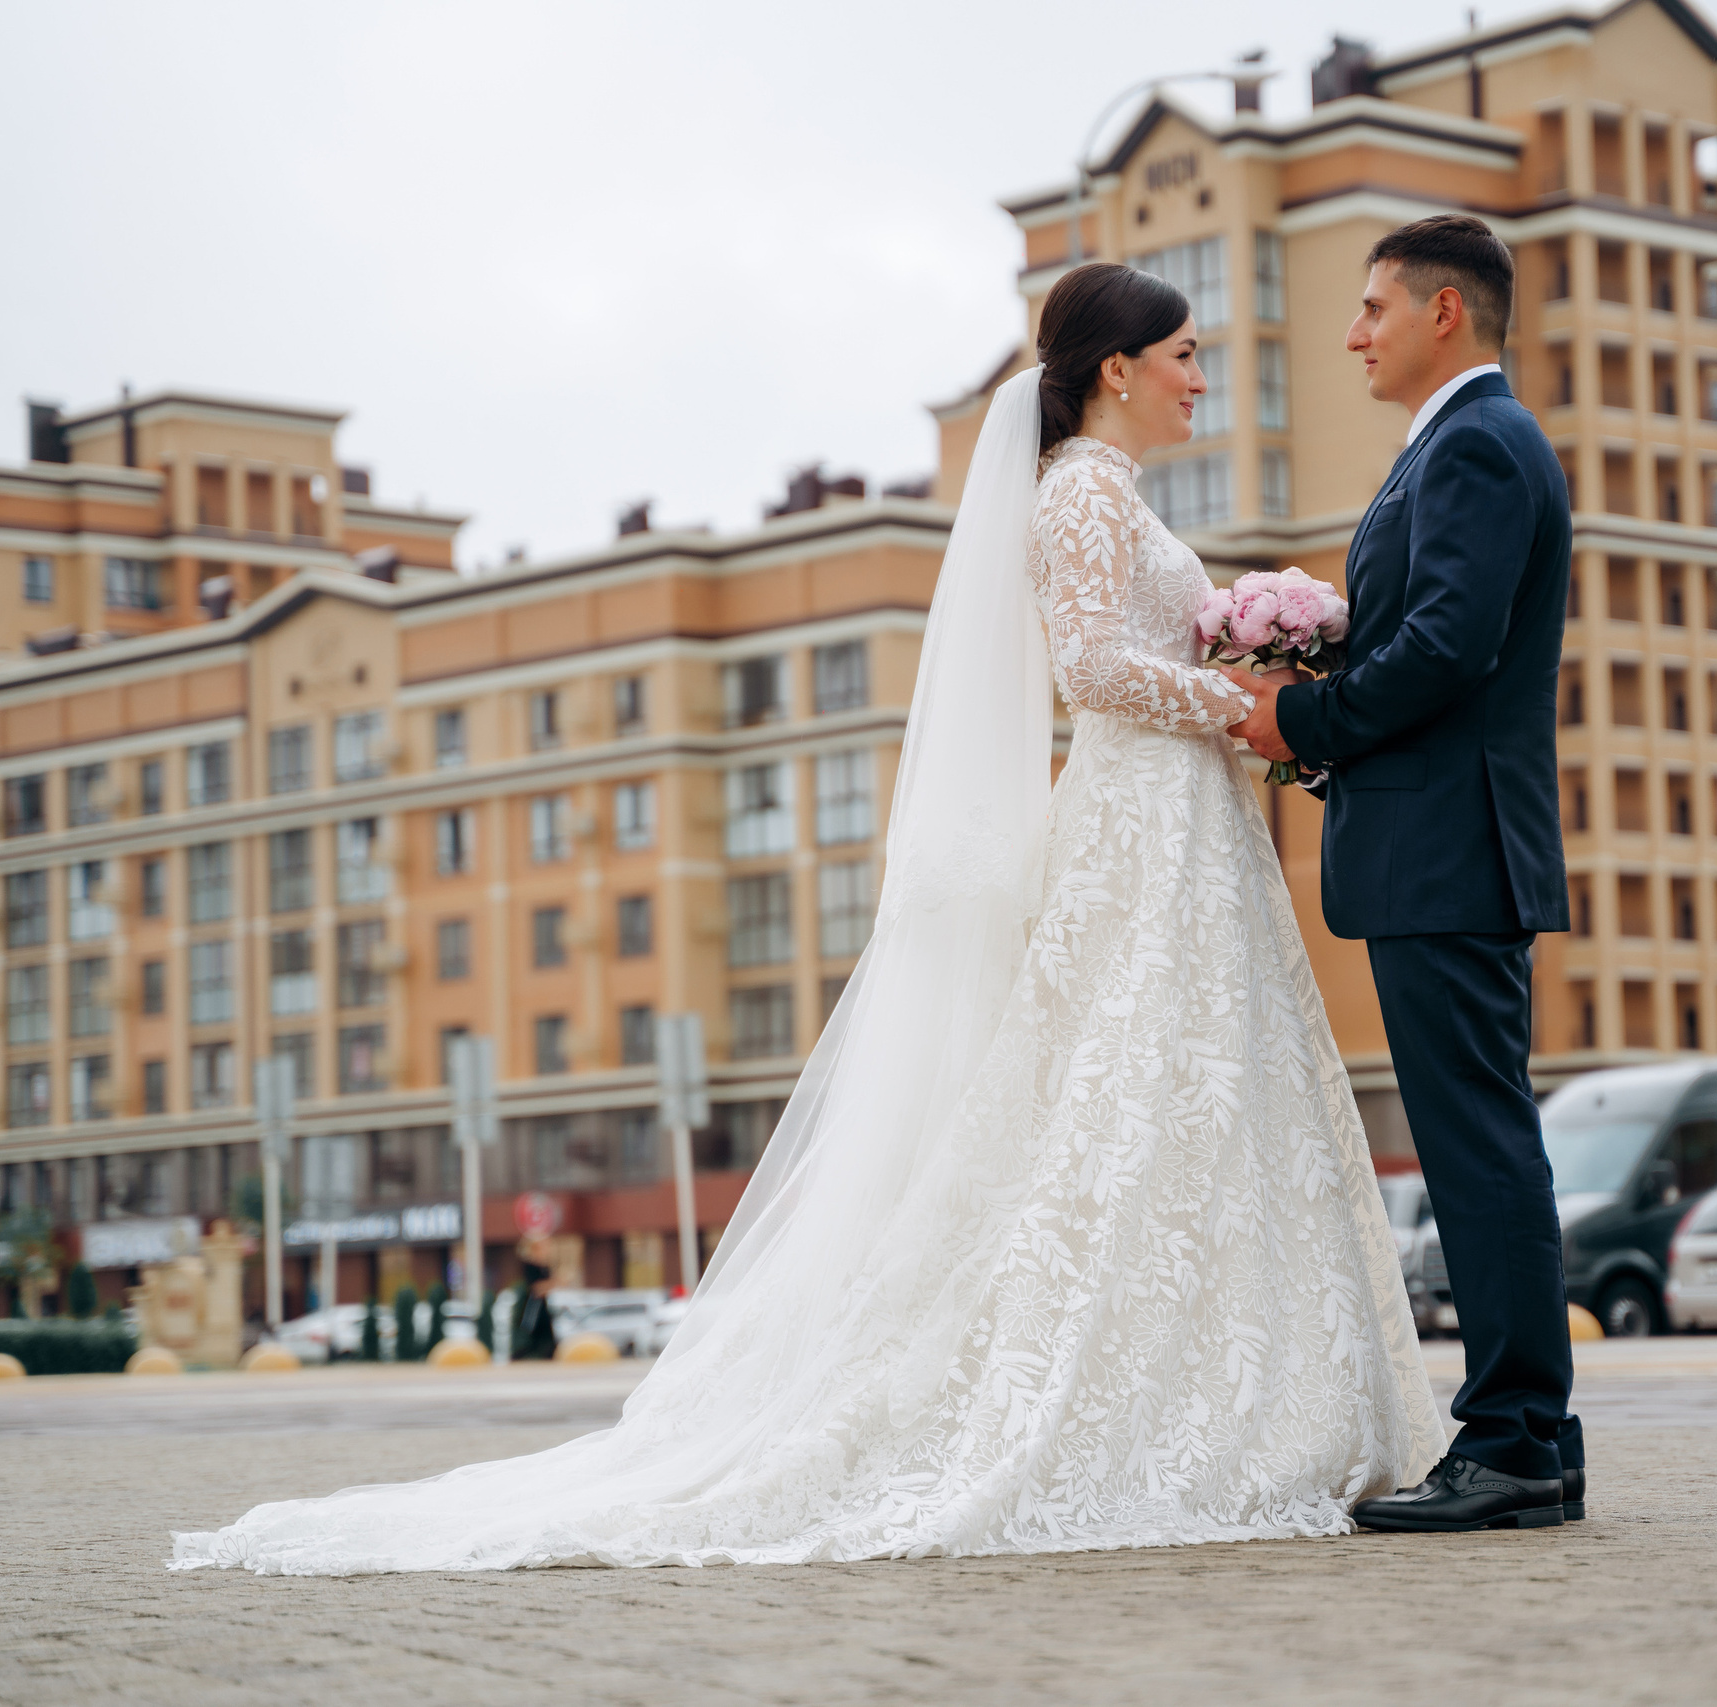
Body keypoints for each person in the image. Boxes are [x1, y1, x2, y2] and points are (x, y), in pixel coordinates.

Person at [170, 261, 1440, 1575]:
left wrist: (1257, 634)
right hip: (1142, 816)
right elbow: (1089, 670)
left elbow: (1140, 645)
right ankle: (1159, 1401)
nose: (1198, 376)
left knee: (1182, 1100)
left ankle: (1235, 1385)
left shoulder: (1113, 496)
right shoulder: (1077, 495)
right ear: (1117, 370)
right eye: (1183, 353)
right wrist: (1238, 701)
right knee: (1117, 1096)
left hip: (1182, 821)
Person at [1225, 214, 1583, 1532]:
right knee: (1487, 1140)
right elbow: (1430, 641)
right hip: (1447, 840)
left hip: (1452, 848)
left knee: (1479, 1146)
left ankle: (1507, 1442)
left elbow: (1444, 646)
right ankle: (1537, 1432)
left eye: (1374, 306)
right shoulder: (1466, 445)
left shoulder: (1479, 443)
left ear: (1446, 311)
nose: (1353, 332)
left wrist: (1297, 720)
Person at [510, 1258, 557, 1361]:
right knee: (530, 1342)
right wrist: (553, 1283)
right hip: (531, 1310)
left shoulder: (545, 1268)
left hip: (542, 1310)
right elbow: (536, 1289)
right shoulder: (529, 1267)